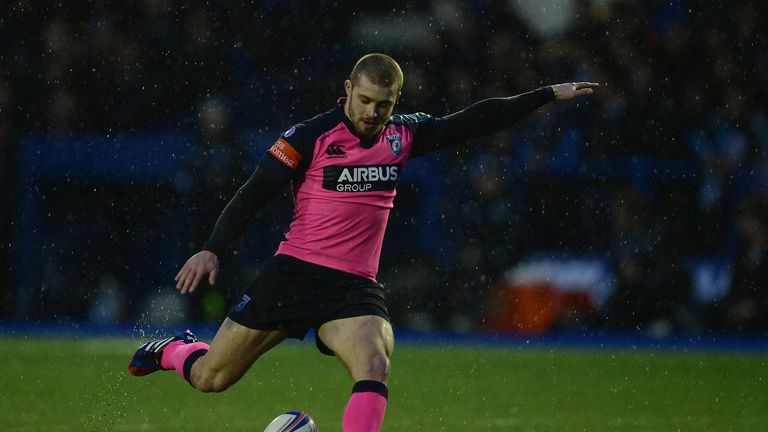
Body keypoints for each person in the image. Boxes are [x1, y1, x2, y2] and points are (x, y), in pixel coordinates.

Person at [128, 53, 597, 432]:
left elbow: (474, 120)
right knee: (212, 377)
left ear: (396, 102)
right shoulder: (308, 137)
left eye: (384, 104)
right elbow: (254, 193)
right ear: (348, 91)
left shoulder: (402, 135)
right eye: (366, 100)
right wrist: (213, 247)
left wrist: (546, 96)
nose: (373, 113)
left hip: (353, 287)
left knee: (374, 364)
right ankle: (172, 350)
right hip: (294, 274)